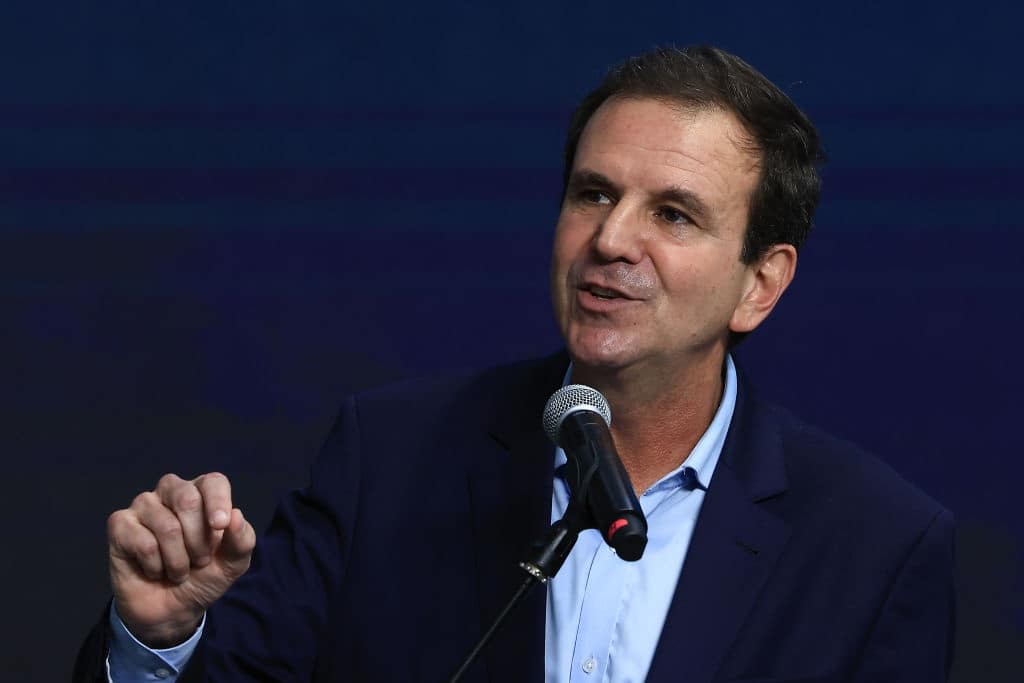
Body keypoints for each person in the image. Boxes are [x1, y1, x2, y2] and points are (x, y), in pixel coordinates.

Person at [75, 45, 955, 682]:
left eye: (674, 214)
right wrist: (159, 643)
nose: (610, 239)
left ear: (759, 285)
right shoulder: (388, 458)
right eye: (594, 193)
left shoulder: (875, 547)